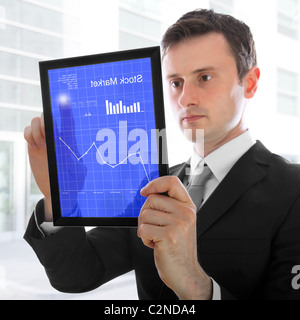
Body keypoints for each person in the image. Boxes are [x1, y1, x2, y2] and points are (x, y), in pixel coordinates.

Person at [23, 9, 300, 300]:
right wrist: (59, 196)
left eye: (204, 77)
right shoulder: (152, 184)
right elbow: (77, 273)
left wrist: (197, 287)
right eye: (176, 82)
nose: (185, 98)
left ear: (251, 83)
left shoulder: (293, 190)